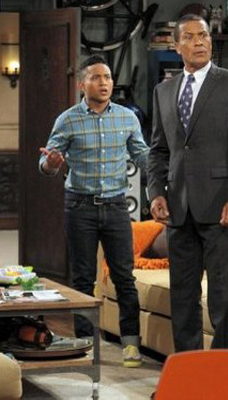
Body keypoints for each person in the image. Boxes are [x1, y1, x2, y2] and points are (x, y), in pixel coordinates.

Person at [146, 14, 228, 351]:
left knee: (223, 298)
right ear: (176, 45)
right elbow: (159, 150)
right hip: (178, 210)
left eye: (204, 35)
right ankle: (189, 369)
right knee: (183, 297)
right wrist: (156, 192)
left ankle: (224, 369)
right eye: (190, 37)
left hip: (222, 208)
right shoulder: (163, 91)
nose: (198, 42)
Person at [39, 54, 149, 368]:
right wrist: (51, 164)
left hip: (116, 207)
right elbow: (46, 162)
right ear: (82, 84)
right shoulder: (68, 119)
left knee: (124, 278)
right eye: (96, 77)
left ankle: (131, 345)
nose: (104, 83)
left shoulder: (127, 118)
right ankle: (87, 345)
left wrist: (165, 166)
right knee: (83, 279)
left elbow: (141, 156)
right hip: (80, 207)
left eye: (108, 77)